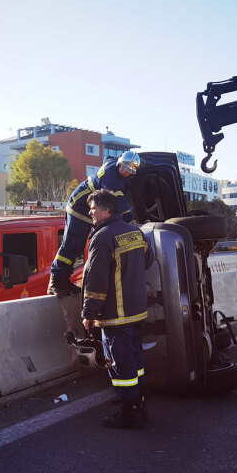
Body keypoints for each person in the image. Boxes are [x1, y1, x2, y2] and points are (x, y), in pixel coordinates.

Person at [81, 189, 152, 428]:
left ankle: (131, 411)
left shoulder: (102, 238)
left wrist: (89, 313)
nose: (90, 212)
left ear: (106, 210)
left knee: (120, 362)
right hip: (137, 310)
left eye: (93, 208)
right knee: (135, 358)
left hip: (116, 315)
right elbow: (147, 261)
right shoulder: (136, 232)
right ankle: (139, 398)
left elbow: (96, 281)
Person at [48, 150, 141, 296]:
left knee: (77, 247)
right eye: (124, 168)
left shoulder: (117, 168)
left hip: (91, 210)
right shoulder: (111, 175)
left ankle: (64, 281)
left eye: (129, 171)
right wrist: (130, 219)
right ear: (119, 163)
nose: (125, 172)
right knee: (71, 245)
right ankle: (55, 281)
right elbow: (118, 200)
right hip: (79, 207)